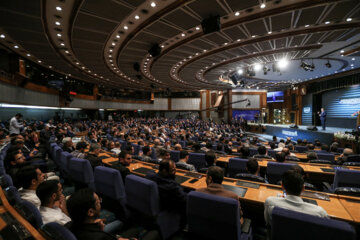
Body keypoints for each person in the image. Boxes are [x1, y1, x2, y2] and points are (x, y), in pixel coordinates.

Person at [66, 188, 135, 240]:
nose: (100, 202)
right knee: (135, 231)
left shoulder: (68, 226)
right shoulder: (101, 237)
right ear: (90, 212)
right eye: (98, 201)